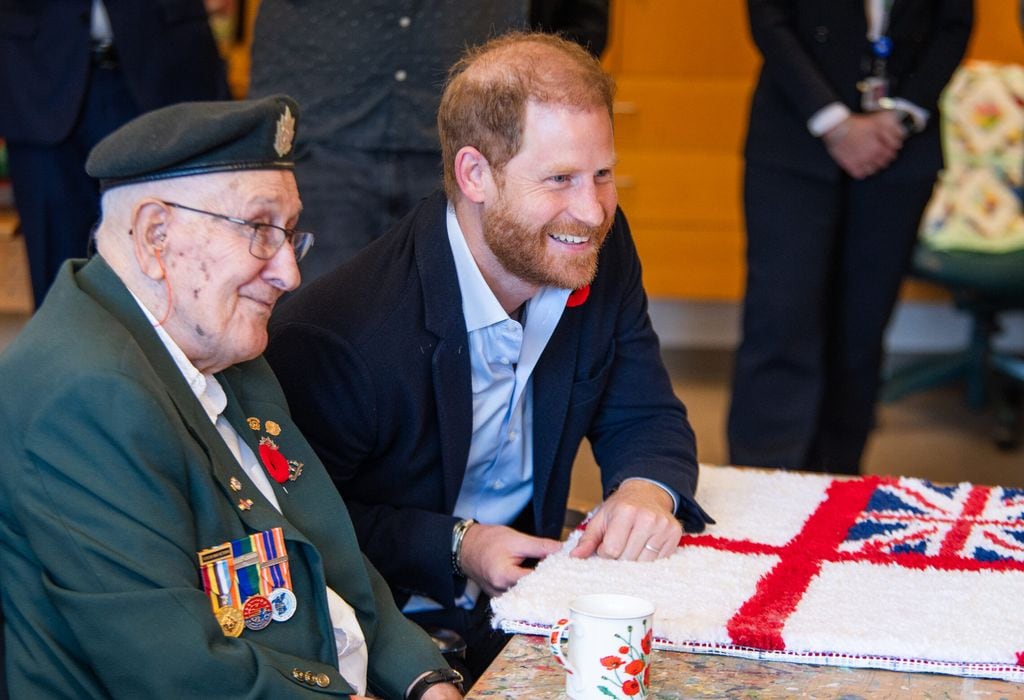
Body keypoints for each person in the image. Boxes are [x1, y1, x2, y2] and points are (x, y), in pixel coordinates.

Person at [264, 32, 712, 681]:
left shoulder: (594, 249)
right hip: (391, 624)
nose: (592, 211)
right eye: (559, 179)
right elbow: (300, 524)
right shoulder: (341, 332)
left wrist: (646, 488)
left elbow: (643, 406)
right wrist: (457, 545)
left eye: (603, 174)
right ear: (475, 174)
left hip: (530, 600)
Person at [0, 95, 462, 699]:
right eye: (259, 230)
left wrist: (426, 679)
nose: (289, 274)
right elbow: (180, 672)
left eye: (290, 235)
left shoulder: (215, 343)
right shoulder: (87, 392)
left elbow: (329, 553)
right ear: (155, 235)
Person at [727, 0, 973, 475]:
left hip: (899, 149)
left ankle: (836, 484)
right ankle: (764, 481)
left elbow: (954, 24)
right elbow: (770, 20)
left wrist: (899, 117)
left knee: (860, 331)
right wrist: (835, 122)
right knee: (781, 319)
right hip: (793, 139)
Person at [248, 1, 609, 284]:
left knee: (458, 327)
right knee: (309, 322)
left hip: (472, 143)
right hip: (320, 130)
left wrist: (550, 100)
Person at [0, 0, 230, 308]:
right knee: (58, 277)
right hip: (36, 69)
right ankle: (66, 357)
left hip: (166, 63)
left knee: (175, 271)